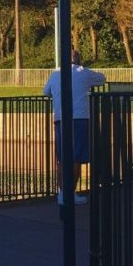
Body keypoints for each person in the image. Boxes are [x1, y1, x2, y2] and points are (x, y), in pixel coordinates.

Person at [43, 50, 106, 206]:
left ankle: (62, 193)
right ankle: (70, 194)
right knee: (76, 157)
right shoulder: (83, 72)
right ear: (79, 60)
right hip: (80, 118)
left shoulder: (54, 74)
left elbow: (46, 92)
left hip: (60, 119)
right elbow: (102, 79)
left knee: (62, 157)